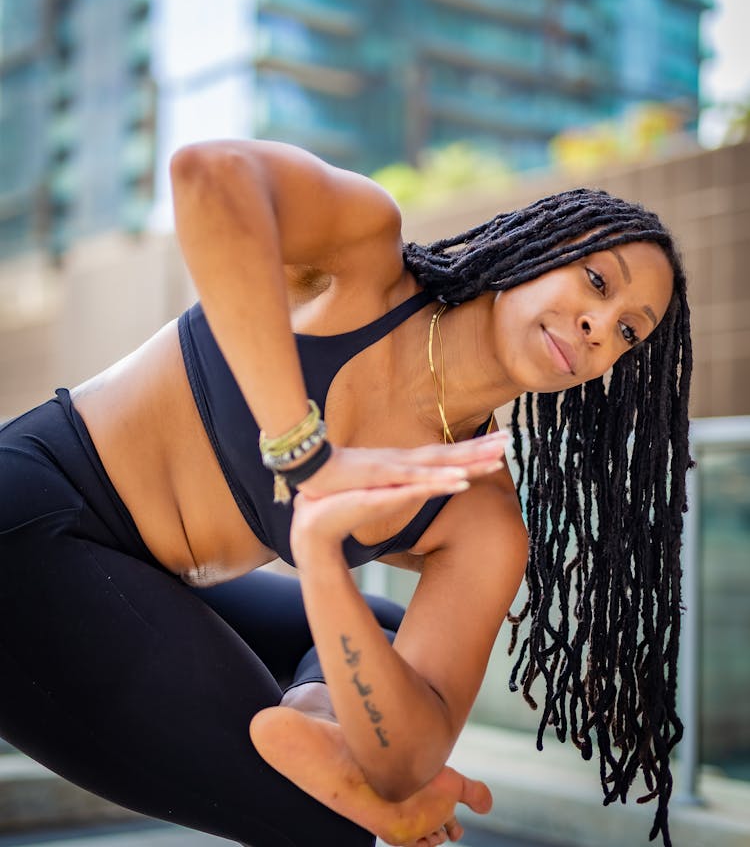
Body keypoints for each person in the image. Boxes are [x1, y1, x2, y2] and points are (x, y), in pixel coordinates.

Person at [0, 140, 691, 847]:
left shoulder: (480, 512)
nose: (599, 328)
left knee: (386, 641)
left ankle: (319, 719)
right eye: (597, 283)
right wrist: (304, 453)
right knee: (328, 825)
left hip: (146, 573)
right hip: (30, 512)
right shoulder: (362, 255)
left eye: (628, 333)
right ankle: (328, 753)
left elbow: (411, 755)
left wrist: (323, 555)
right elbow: (207, 175)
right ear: (542, 243)